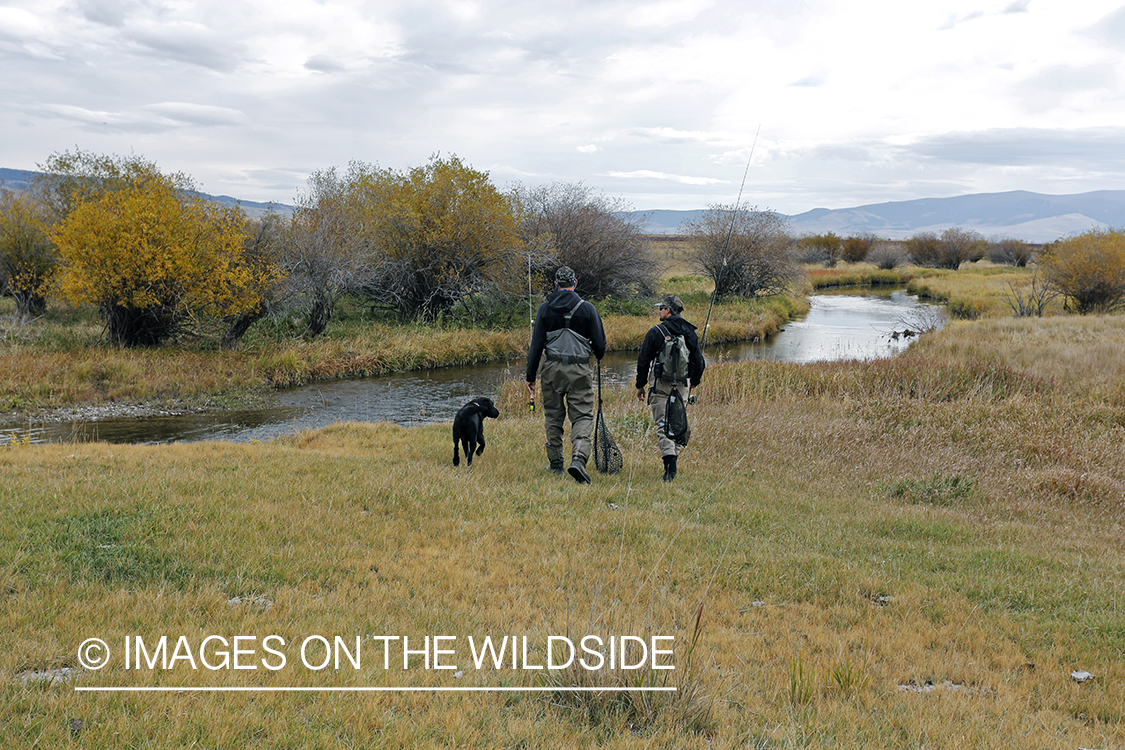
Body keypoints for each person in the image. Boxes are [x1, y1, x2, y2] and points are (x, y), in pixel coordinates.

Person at [526, 266, 607, 483]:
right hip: (580, 369)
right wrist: (595, 353)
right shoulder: (588, 309)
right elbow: (600, 346)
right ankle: (578, 460)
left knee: (553, 415)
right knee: (581, 415)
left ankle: (556, 465)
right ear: (575, 282)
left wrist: (530, 376)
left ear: (556, 284)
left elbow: (536, 346)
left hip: (551, 369)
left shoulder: (544, 308)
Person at [635, 295, 705, 481]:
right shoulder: (689, 331)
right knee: (676, 423)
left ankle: (670, 468)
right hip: (682, 385)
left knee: (662, 424)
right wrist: (695, 381)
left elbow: (643, 361)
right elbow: (699, 360)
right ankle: (672, 465)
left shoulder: (656, 331)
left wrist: (640, 385)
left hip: (660, 384)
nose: (659, 311)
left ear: (668, 310)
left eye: (661, 308)